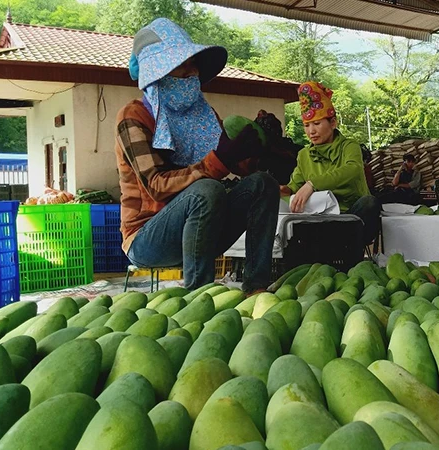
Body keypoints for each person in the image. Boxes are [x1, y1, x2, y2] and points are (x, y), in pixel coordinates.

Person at [115, 18, 279, 292]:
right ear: (160, 73)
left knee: (263, 184)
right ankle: (198, 294)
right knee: (206, 189)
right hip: (147, 237)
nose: (192, 74)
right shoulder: (134, 117)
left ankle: (256, 286)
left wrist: (260, 152)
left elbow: (234, 165)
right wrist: (219, 161)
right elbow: (156, 186)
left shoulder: (203, 117)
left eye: (194, 66)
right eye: (183, 67)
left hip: (204, 228)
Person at [280, 81, 381, 245]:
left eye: (317, 123)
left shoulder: (350, 146)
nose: (311, 131)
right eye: (307, 125)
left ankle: (346, 248)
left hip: (351, 214)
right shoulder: (304, 155)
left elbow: (353, 169)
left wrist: (313, 184)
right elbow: (295, 187)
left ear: (333, 123)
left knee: (370, 203)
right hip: (318, 218)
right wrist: (281, 190)